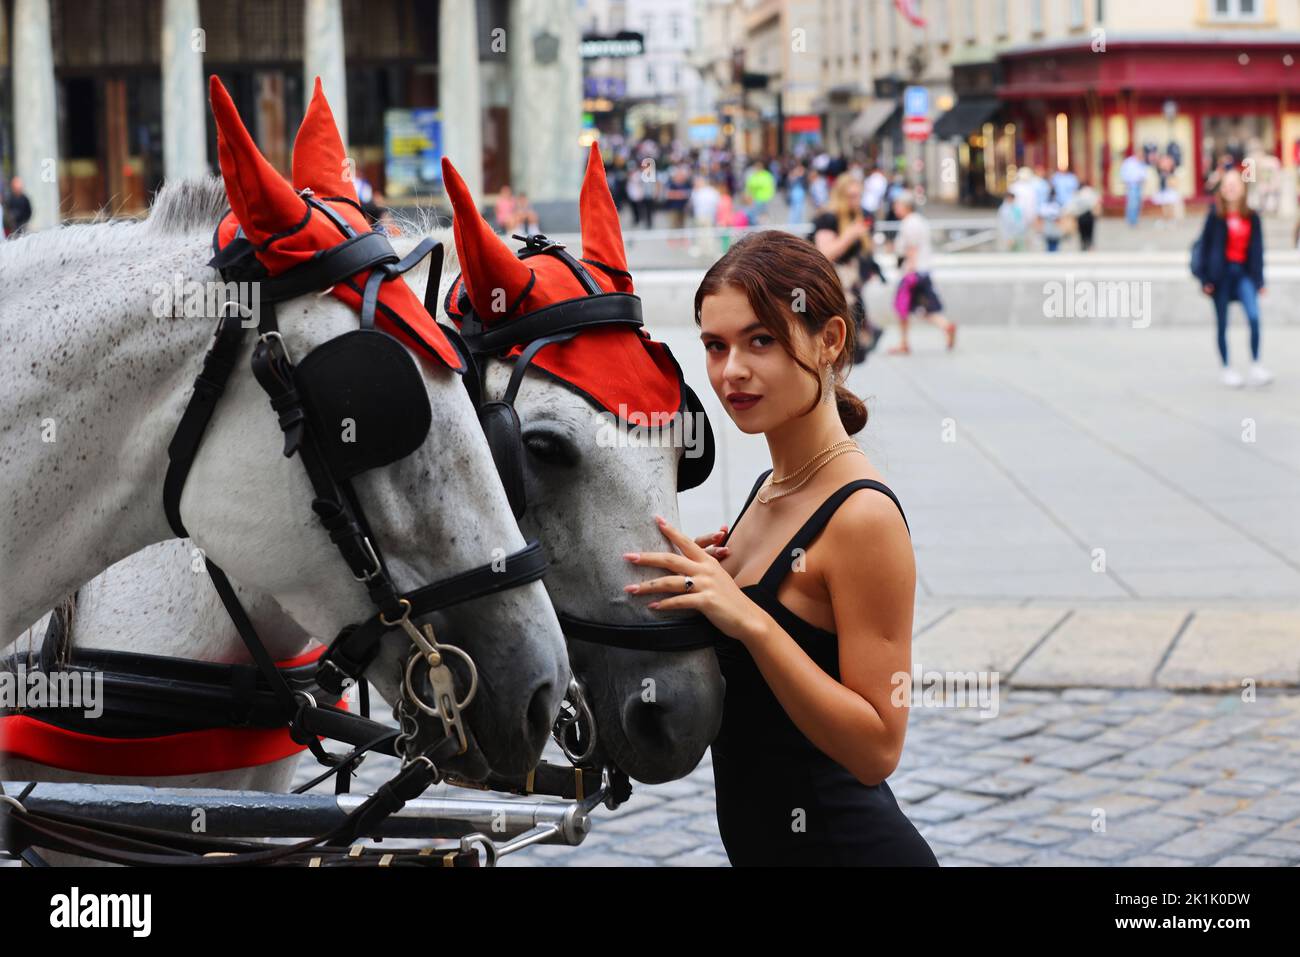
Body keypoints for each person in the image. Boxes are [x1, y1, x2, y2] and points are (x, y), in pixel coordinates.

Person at [626, 229, 938, 866]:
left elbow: (879, 747)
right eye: (715, 346)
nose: (731, 370)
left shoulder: (862, 516)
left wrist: (752, 621)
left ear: (829, 341)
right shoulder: (770, 488)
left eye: (760, 340)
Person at [1192, 168, 1273, 388]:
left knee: (1254, 317)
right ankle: (1226, 368)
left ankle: (1256, 364)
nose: (1231, 188)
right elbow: (1204, 248)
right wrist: (1205, 279)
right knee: (1222, 323)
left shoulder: (1252, 216)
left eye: (1235, 184)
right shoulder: (1214, 215)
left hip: (1243, 274)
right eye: (1227, 185)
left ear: (1243, 188)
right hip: (1220, 276)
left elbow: (1257, 250)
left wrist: (1260, 281)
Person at [811, 173, 884, 362]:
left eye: (859, 196)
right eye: (851, 196)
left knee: (852, 344)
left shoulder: (864, 215)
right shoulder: (828, 217)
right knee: (834, 342)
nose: (856, 201)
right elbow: (825, 253)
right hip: (830, 285)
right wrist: (850, 235)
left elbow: (866, 251)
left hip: (853, 286)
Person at [890, 191, 955, 354]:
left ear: (905, 206)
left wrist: (908, 273)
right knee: (923, 308)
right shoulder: (920, 221)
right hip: (923, 271)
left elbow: (912, 249)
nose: (895, 208)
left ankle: (904, 343)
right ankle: (945, 326)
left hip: (912, 273)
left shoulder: (909, 224)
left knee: (902, 307)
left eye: (897, 205)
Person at [689, 175, 721, 260]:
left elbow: (717, 202)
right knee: (700, 233)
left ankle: (709, 250)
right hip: (700, 215)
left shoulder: (710, 191)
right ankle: (702, 249)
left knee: (709, 233)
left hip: (708, 215)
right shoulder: (697, 191)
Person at [1067, 179, 1100, 251]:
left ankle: (1083, 245)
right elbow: (1096, 202)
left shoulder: (1077, 193)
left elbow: (1072, 205)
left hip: (1081, 216)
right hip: (1089, 215)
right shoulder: (1090, 192)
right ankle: (1090, 245)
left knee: (1082, 232)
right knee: (1090, 232)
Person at [1119, 149, 1149, 226]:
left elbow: (1144, 173)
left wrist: (1144, 180)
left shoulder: (1141, 162)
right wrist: (1126, 182)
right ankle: (1131, 220)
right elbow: (1123, 172)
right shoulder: (1129, 162)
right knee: (1132, 203)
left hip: (1139, 184)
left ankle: (1135, 219)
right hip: (1132, 184)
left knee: (1138, 203)